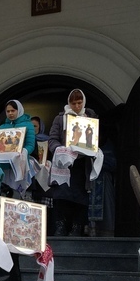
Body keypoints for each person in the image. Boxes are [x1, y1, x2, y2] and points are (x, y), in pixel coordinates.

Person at [47, 88, 98, 236]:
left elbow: (94, 139)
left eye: (79, 102)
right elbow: (52, 139)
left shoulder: (90, 118)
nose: (76, 106)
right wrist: (60, 149)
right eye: (73, 103)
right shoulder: (60, 118)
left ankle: (77, 227)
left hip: (82, 165)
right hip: (64, 165)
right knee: (61, 196)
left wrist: (92, 147)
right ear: (69, 103)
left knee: (80, 197)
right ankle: (60, 226)